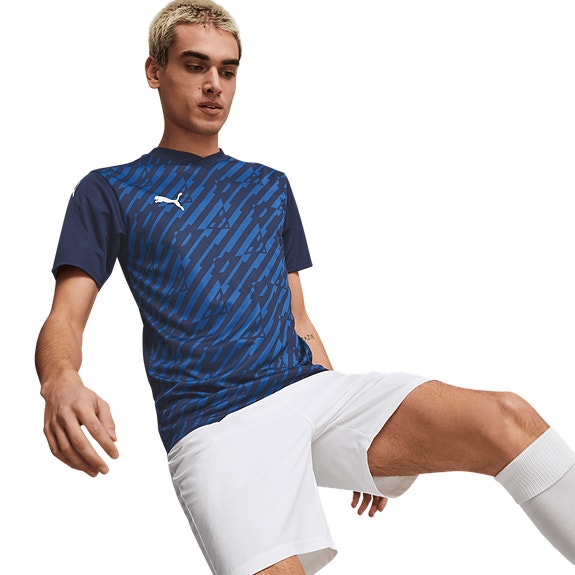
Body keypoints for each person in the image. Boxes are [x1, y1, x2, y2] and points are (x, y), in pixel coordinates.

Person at [35, 1, 575, 574]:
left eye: (227, 70)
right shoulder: (111, 190)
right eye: (195, 66)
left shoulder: (269, 186)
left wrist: (356, 439)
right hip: (215, 425)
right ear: (154, 71)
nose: (214, 84)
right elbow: (66, 316)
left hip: (308, 390)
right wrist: (59, 379)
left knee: (506, 418)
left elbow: (298, 319)